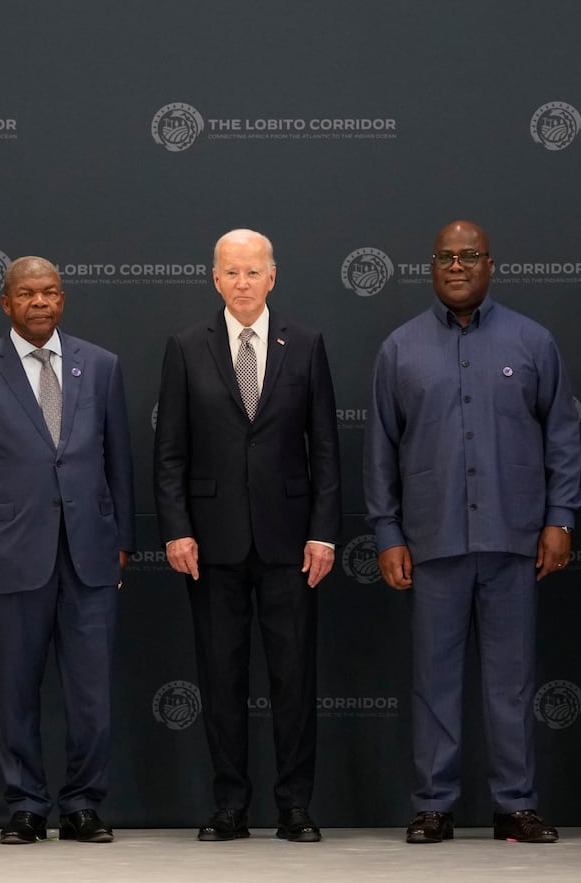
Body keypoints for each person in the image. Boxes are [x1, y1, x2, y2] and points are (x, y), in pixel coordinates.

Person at [364, 219, 580, 845]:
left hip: (514, 541)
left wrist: (561, 519)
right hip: (432, 545)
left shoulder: (532, 341)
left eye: (469, 256)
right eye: (445, 257)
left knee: (511, 681)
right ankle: (434, 804)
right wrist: (386, 532)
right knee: (434, 680)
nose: (457, 266)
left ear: (491, 264)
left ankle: (516, 804)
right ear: (431, 267)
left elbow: (563, 439)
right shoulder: (400, 348)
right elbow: (380, 449)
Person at [154, 228, 341, 843]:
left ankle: (294, 807)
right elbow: (170, 456)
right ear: (214, 279)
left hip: (291, 544)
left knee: (294, 681)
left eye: (252, 272)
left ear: (272, 276)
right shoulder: (185, 346)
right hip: (211, 545)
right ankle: (230, 805)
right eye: (230, 273)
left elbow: (327, 452)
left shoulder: (306, 343)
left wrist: (324, 533)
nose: (241, 283)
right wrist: (177, 532)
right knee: (221, 678)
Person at [0, 257, 134, 845]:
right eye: (27, 294)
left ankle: (81, 803)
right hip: (10, 553)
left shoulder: (100, 366)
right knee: (17, 688)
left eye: (50, 292)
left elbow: (118, 459)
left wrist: (122, 537)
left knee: (91, 693)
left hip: (90, 553)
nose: (40, 303)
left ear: (63, 299)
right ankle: (25, 803)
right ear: (6, 304)